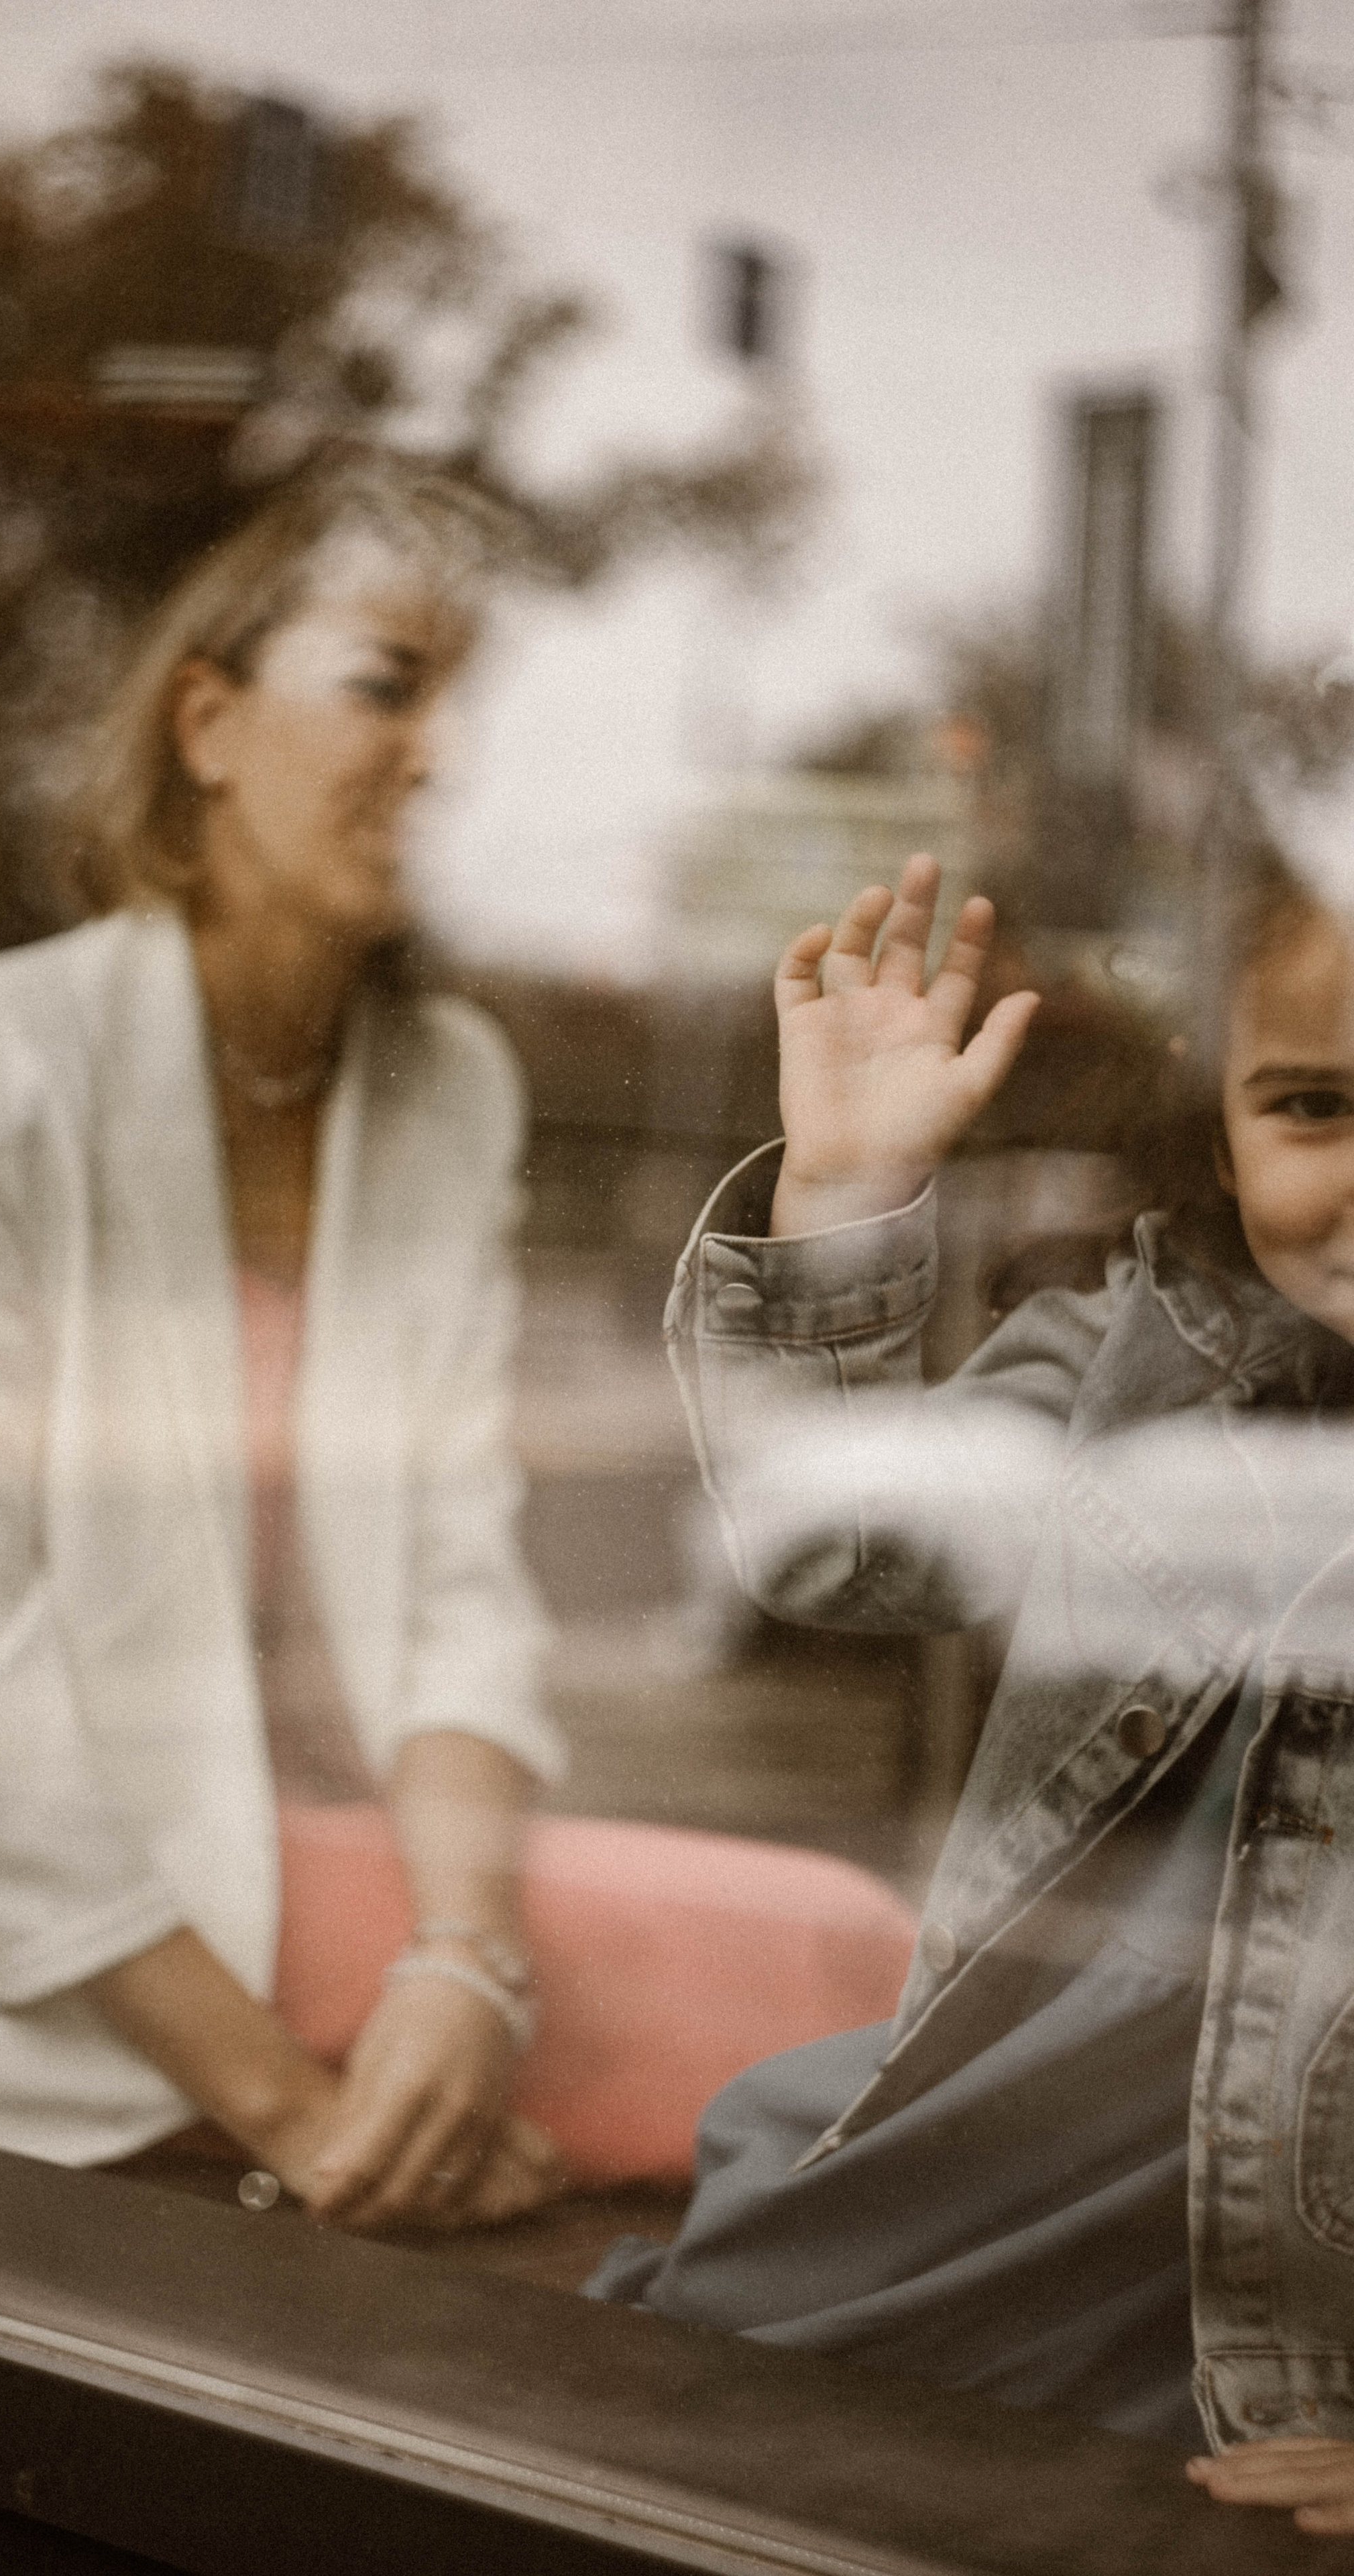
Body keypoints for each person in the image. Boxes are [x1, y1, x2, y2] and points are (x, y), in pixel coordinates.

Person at [0, 453, 917, 2233]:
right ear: (209, 721)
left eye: (470, 710)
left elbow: (457, 1594)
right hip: (0, 1933)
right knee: (840, 1996)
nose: (441, 755)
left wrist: (466, 1965)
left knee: (861, 1980)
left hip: (316, 1868)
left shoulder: (443, 1088)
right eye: (387, 686)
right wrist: (303, 2116)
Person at [588, 830, 1354, 2536]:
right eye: (1311, 1106)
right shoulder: (1122, 1348)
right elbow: (833, 1553)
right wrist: (843, 1199)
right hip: (975, 2231)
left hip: (1287, 2359)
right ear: (1219, 1126)